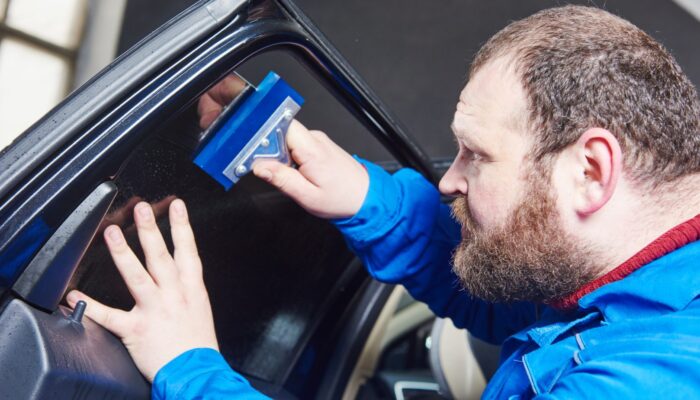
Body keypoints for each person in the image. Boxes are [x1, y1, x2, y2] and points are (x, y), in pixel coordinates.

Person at [67, 5, 700, 399]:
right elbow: (511, 297)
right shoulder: (630, 277)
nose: (449, 181)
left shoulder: (655, 379)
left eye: (475, 155)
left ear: (590, 170)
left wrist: (191, 369)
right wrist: (363, 197)